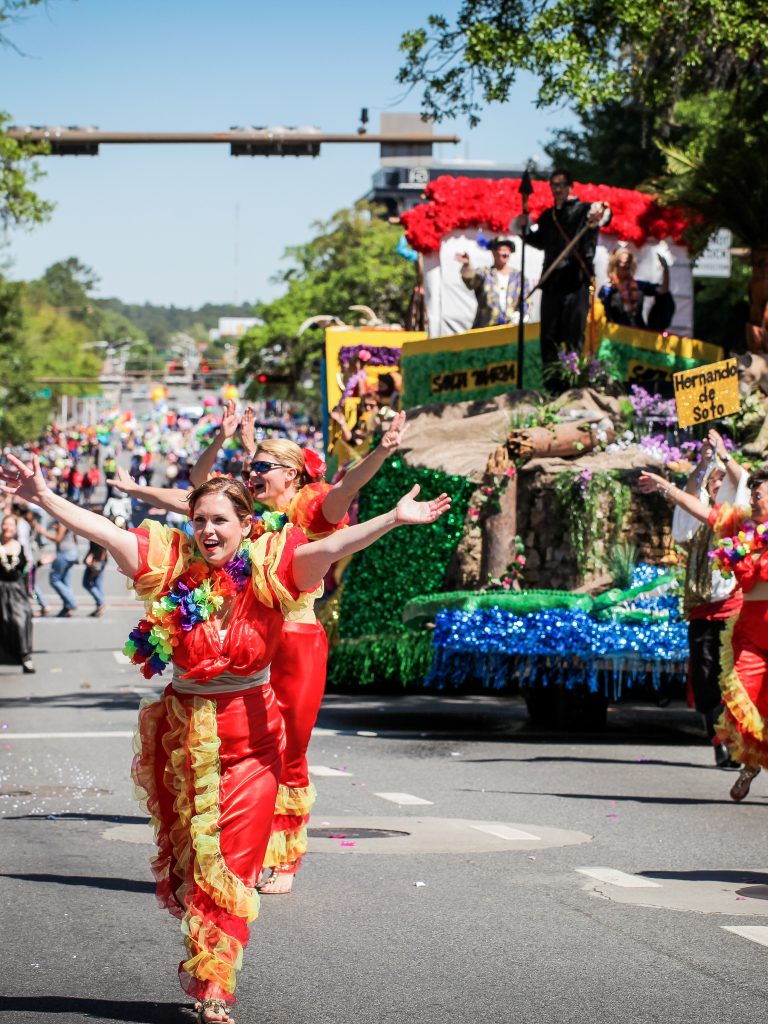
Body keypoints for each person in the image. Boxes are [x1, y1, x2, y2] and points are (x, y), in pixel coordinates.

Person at [0, 451, 449, 1024]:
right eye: (200, 520)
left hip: (253, 740)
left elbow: (332, 546)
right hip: (184, 736)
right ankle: (205, 958)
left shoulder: (271, 569)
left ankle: (214, 986)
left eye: (220, 521)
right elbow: (105, 532)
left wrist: (392, 518)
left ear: (245, 524)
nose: (209, 531)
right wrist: (41, 496)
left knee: (231, 865)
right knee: (194, 866)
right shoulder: (171, 563)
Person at [109, 406, 408, 895]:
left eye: (261, 467)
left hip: (294, 642)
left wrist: (381, 450)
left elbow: (348, 486)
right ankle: (229, 845)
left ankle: (284, 857)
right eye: (251, 466)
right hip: (247, 639)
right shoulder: (245, 512)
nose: (252, 474)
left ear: (292, 473)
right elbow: (194, 493)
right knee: (241, 752)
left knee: (290, 749)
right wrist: (139, 490)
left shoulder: (313, 507)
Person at [639, 462, 768, 802]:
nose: (752, 501)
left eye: (758, 495)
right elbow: (701, 511)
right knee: (741, 700)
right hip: (750, 636)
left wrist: (726, 456)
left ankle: (751, 766)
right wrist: (666, 487)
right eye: (752, 496)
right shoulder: (741, 529)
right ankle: (750, 761)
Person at [671, 430, 748, 768]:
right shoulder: (695, 517)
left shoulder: (739, 516)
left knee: (733, 676)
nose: (716, 486)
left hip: (733, 608)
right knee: (704, 680)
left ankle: (733, 742)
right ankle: (718, 739)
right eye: (712, 482)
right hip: (701, 608)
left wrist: (723, 453)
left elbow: (743, 481)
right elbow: (686, 506)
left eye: (720, 482)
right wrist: (703, 463)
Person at [517, 168, 609, 371]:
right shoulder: (548, 217)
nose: (557, 189)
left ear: (570, 187)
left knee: (573, 334)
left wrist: (599, 213)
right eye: (554, 185)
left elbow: (604, 214)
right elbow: (538, 241)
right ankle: (552, 381)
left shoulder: (584, 211)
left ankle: (574, 380)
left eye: (561, 185)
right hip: (552, 283)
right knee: (549, 337)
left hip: (576, 282)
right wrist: (523, 228)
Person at [456, 236, 526, 329]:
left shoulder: (518, 277)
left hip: (512, 329)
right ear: (494, 252)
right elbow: (471, 282)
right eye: (502, 250)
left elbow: (527, 302)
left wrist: (516, 319)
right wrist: (466, 265)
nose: (505, 253)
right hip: (486, 328)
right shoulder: (485, 273)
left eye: (508, 250)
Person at [598, 249, 672, 330]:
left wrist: (665, 270)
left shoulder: (638, 286)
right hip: (617, 333)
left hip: (638, 332)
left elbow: (663, 290)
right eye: (623, 263)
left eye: (628, 263)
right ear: (615, 265)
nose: (626, 265)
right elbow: (603, 315)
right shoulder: (608, 289)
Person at [0, 513, 34, 673]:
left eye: (11, 525)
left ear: (15, 529)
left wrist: (39, 563)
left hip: (16, 589)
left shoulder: (20, 546)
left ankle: (25, 657)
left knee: (22, 620)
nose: (7, 528)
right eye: (5, 524)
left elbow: (25, 570)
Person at [34, 515, 80, 617]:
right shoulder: (66, 520)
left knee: (54, 579)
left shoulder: (63, 521)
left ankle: (72, 603)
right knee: (65, 581)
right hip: (70, 553)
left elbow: (58, 538)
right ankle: (67, 607)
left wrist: (43, 532)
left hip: (65, 553)